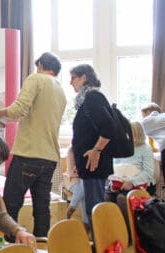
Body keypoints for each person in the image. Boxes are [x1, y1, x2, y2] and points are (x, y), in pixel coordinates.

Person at [0, 52, 67, 237]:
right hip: (49, 157)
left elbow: (18, 110)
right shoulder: (60, 91)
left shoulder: (36, 79)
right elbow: (31, 118)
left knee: (10, 205)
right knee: (42, 208)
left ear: (41, 65)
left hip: (29, 154)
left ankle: (12, 252)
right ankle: (42, 248)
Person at [70, 64, 115, 226]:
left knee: (95, 210)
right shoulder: (86, 99)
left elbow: (108, 128)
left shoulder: (93, 97)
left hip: (94, 163)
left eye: (73, 77)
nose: (70, 82)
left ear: (84, 77)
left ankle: (100, 247)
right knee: (91, 209)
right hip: (89, 164)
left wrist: (96, 150)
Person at [105, 121, 156, 235]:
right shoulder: (120, 147)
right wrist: (114, 180)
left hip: (140, 183)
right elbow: (113, 167)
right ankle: (110, 233)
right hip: (120, 181)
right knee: (106, 198)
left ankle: (128, 234)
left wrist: (132, 182)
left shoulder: (145, 149)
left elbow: (148, 172)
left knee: (122, 199)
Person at [63, 146, 89, 230]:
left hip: (84, 180)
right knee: (84, 189)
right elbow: (72, 173)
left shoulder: (92, 150)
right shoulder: (72, 150)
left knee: (84, 189)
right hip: (71, 179)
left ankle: (70, 210)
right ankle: (86, 225)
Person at [141, 102, 165, 180]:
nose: (143, 118)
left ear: (148, 112)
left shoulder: (148, 121)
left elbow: (136, 132)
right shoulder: (162, 117)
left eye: (143, 115)